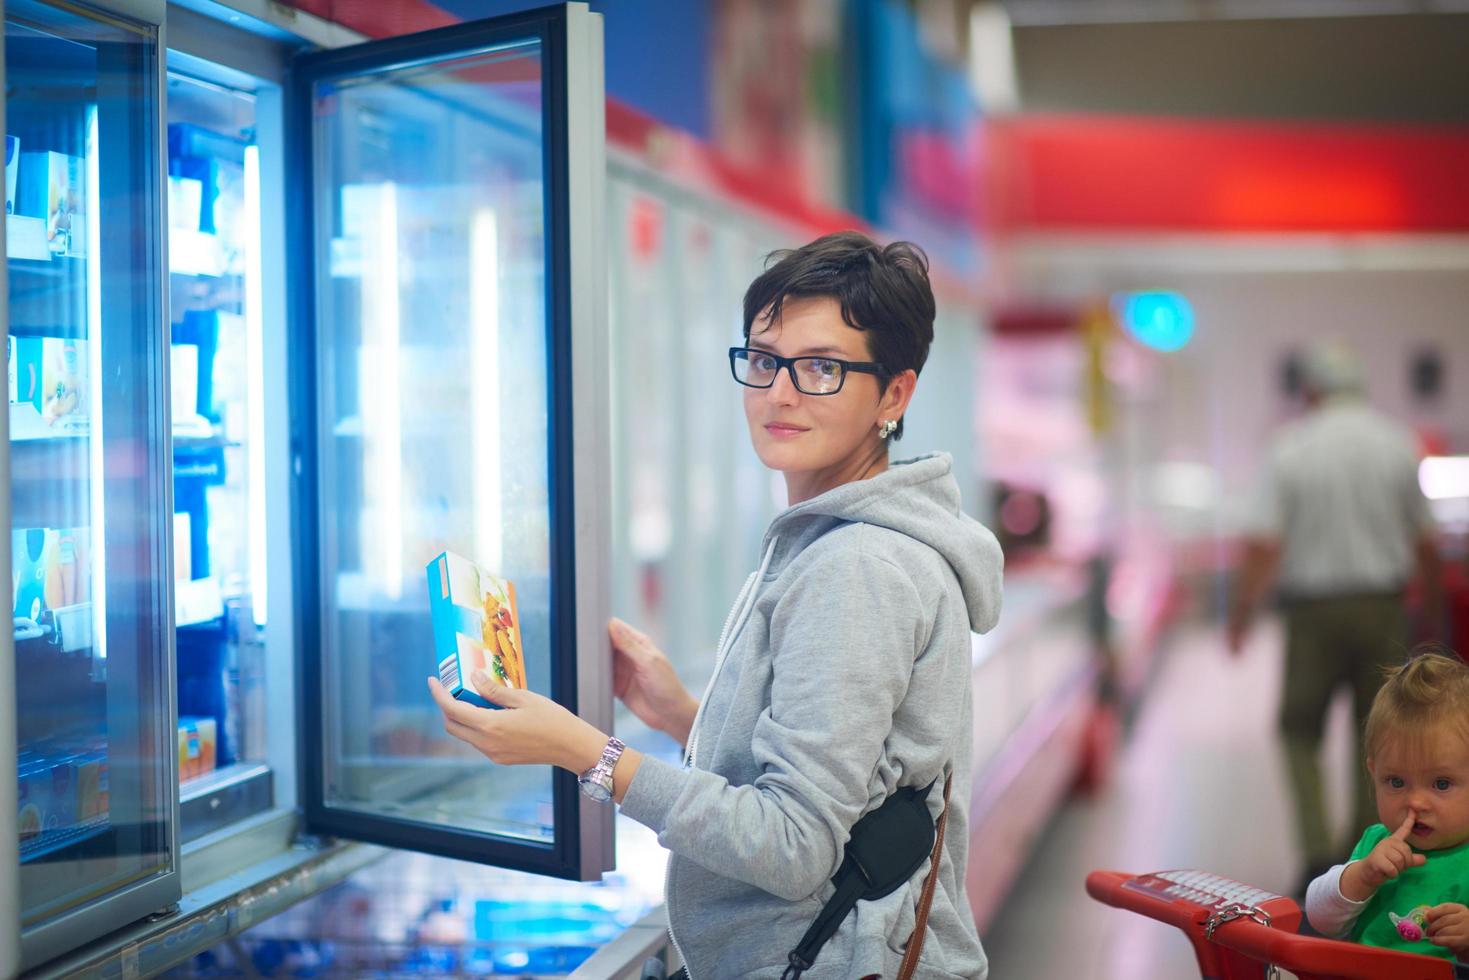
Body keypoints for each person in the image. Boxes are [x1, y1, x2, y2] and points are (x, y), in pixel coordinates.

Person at [428, 231, 1004, 978]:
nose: (779, 393)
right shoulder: (825, 535)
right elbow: (844, 778)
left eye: (821, 367)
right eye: (764, 360)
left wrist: (583, 752)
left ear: (893, 394)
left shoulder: (858, 564)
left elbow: (795, 845)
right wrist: (677, 713)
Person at [1227, 341, 1442, 892]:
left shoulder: (1292, 446)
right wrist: (1435, 616)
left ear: (1312, 392)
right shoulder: (1396, 443)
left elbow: (1263, 542)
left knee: (1299, 728)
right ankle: (1364, 849)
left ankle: (1315, 850)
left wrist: (1241, 614)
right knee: (1378, 734)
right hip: (1384, 606)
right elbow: (1425, 541)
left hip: (1313, 613)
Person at [1304, 650, 1469, 963]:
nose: (1416, 802)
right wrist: (1362, 876)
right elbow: (1318, 917)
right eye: (1396, 782)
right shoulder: (1376, 844)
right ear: (1373, 772)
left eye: (1441, 784)